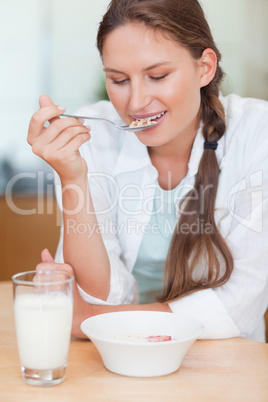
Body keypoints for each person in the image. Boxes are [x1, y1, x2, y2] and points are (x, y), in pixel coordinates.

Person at [27, 0, 268, 341]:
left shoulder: (259, 133)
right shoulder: (91, 138)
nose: (136, 103)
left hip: (225, 363)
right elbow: (99, 296)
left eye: (157, 76)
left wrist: (90, 320)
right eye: (119, 80)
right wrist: (72, 176)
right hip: (115, 357)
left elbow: (235, 308)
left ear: (205, 67)